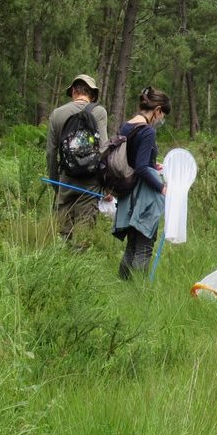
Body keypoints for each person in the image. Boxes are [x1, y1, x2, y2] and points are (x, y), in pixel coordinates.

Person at [112, 86, 170, 280]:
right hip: (144, 196)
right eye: (162, 115)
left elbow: (134, 159)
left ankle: (122, 287)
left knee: (132, 245)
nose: (161, 120)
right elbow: (141, 167)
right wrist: (162, 188)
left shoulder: (126, 125)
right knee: (144, 246)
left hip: (128, 195)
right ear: (158, 110)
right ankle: (139, 291)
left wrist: (155, 164)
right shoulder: (147, 131)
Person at [45, 74, 108, 243]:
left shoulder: (57, 114)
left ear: (73, 91)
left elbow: (51, 153)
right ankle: (79, 265)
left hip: (65, 179)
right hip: (90, 182)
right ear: (93, 95)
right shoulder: (99, 112)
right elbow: (103, 149)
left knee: (63, 233)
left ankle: (62, 265)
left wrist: (55, 182)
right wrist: (106, 184)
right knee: (83, 235)